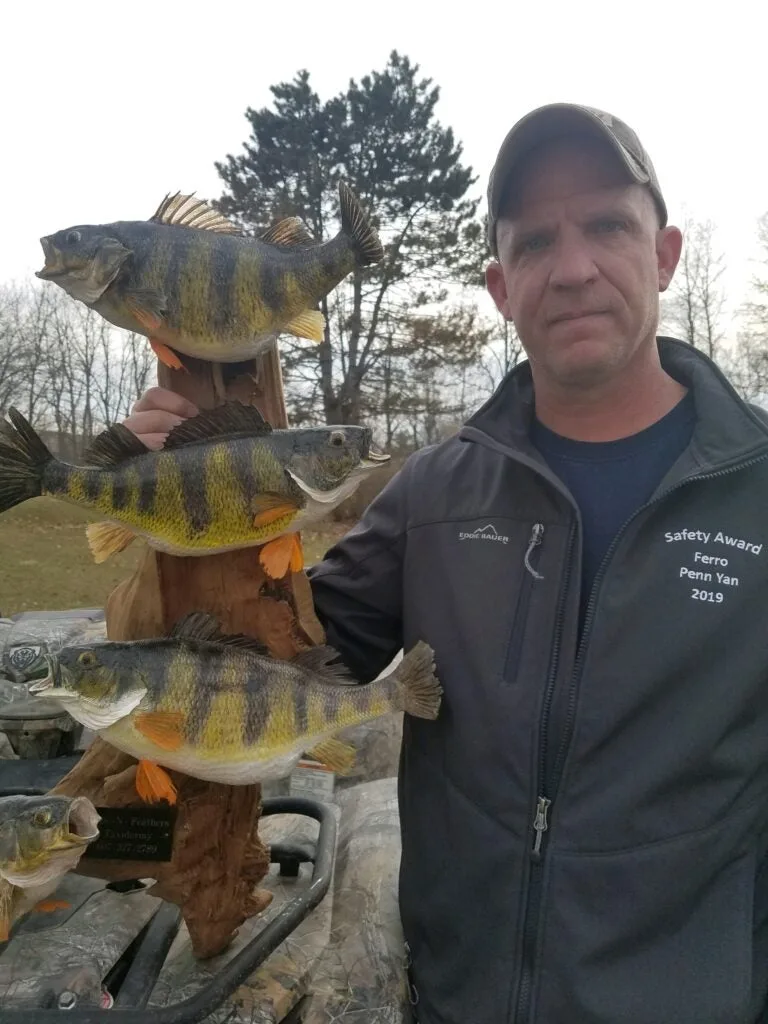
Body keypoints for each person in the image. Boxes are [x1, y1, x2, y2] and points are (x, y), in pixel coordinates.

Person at [123, 104, 768, 1024]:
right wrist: (177, 524)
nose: (574, 267)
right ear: (502, 287)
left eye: (607, 227)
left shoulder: (756, 494)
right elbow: (268, 659)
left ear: (663, 256)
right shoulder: (434, 494)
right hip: (454, 1002)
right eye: (536, 240)